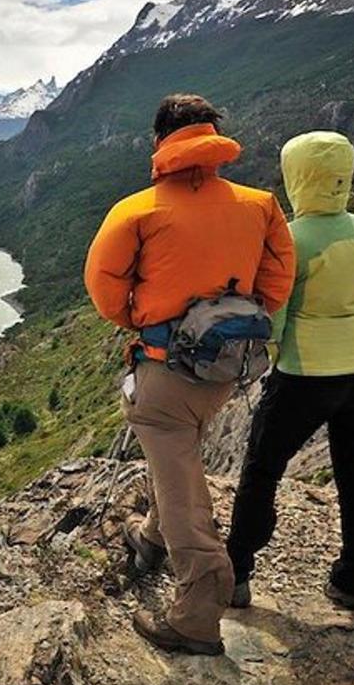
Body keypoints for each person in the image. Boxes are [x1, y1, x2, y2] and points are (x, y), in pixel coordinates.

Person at [84, 94, 295, 656]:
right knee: (177, 454)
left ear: (160, 143)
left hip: (164, 371)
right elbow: (277, 282)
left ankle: (198, 613)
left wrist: (145, 319)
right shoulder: (261, 204)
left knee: (181, 483)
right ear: (213, 139)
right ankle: (152, 538)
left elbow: (106, 291)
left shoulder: (136, 211)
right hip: (225, 368)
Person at [226, 131, 354, 610]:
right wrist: (353, 330)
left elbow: (275, 308)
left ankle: (236, 570)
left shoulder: (289, 238)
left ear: (296, 176)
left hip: (304, 370)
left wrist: (278, 351)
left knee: (263, 468)